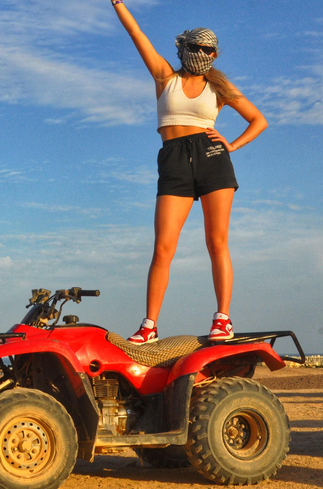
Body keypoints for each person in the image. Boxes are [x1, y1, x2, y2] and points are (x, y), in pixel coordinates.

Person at [110, 0, 267, 344]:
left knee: (216, 242)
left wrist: (233, 145)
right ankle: (149, 325)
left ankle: (222, 319)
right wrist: (119, 5)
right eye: (200, 48)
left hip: (212, 158)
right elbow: (137, 35)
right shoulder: (165, 77)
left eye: (212, 50)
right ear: (186, 48)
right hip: (174, 161)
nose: (206, 54)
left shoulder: (219, 87)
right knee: (163, 247)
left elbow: (259, 120)